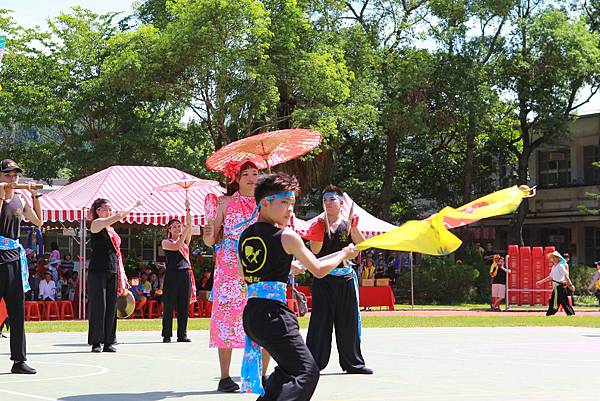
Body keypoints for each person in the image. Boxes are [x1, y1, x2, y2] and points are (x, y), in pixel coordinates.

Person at [239, 172, 360, 400]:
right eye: (284, 202)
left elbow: (243, 273)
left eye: (292, 203)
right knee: (306, 372)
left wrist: (288, 267)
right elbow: (319, 270)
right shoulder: (287, 236)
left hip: (252, 315)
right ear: (265, 203)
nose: (290, 209)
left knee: (287, 370)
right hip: (274, 315)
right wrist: (344, 253)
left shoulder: (244, 236)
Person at [203, 160, 270, 392]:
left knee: (264, 317)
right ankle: (225, 377)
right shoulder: (224, 202)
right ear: (236, 178)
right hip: (229, 268)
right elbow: (210, 240)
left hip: (258, 264)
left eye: (255, 173)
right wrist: (208, 232)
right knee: (226, 320)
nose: (252, 178)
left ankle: (262, 374)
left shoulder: (265, 203)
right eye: (246, 174)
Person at [304, 185, 372, 375]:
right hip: (323, 279)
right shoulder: (318, 224)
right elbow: (315, 251)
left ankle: (353, 363)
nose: (327, 203)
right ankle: (313, 364)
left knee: (348, 323)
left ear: (341, 202)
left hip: (345, 279)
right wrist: (319, 230)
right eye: (325, 200)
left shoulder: (347, 224)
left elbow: (361, 247)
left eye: (332, 199)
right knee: (320, 323)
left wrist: (354, 227)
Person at [0, 159, 43, 374]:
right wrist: (2, 195)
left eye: (15, 175)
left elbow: (38, 222)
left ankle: (19, 360)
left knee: (17, 312)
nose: (12, 179)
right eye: (7, 175)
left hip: (14, 259)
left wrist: (34, 196)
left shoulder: (20, 197)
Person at [87, 197, 141, 353]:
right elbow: (119, 216)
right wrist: (134, 205)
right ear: (97, 210)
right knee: (100, 306)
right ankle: (96, 342)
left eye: (110, 209)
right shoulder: (96, 224)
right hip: (98, 270)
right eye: (105, 209)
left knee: (112, 306)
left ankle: (109, 341)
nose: (109, 211)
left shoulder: (111, 230)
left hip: (112, 269)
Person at [161, 208, 193, 343]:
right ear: (169, 229)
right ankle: (167, 334)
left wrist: (188, 209)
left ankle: (182, 334)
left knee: (183, 305)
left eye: (179, 226)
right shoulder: (166, 242)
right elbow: (176, 246)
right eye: (174, 226)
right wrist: (185, 231)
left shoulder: (184, 242)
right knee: (169, 305)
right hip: (172, 275)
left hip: (185, 274)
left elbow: (189, 225)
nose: (177, 228)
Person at [536, 251, 575, 316]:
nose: (553, 259)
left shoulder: (560, 266)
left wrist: (570, 285)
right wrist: (541, 281)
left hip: (560, 286)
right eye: (552, 257)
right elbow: (551, 276)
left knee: (563, 301)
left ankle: (569, 314)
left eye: (555, 257)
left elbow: (566, 276)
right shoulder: (554, 266)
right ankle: (550, 313)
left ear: (558, 258)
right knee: (556, 301)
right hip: (556, 287)